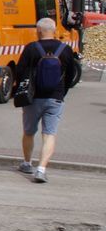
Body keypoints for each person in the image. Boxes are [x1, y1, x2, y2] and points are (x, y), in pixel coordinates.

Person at [17, 17, 79, 184]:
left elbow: (20, 71)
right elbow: (71, 76)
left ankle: (27, 163)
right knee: (49, 134)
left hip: (32, 99)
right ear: (54, 31)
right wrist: (62, 93)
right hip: (56, 98)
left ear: (38, 31)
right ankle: (41, 169)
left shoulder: (31, 48)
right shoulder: (65, 49)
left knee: (29, 132)